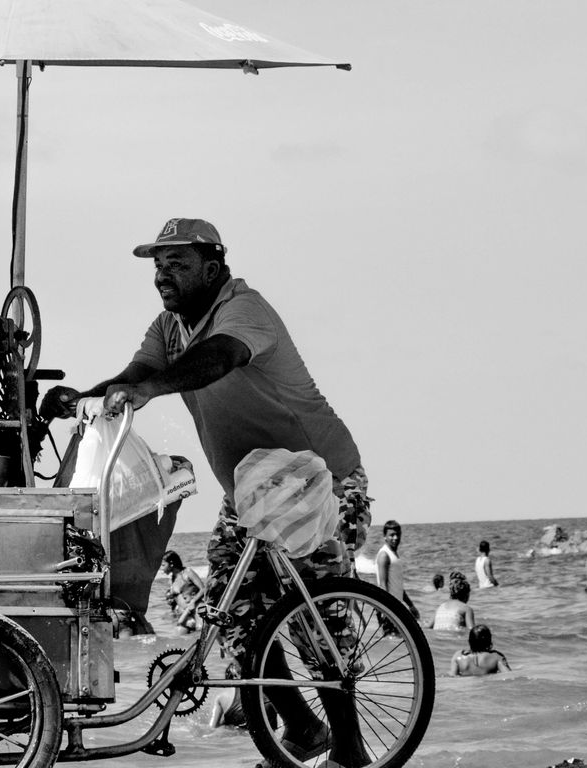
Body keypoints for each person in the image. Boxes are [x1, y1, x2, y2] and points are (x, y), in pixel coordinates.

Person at [42, 218, 369, 763]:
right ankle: (303, 729)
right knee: (227, 612)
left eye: (177, 264)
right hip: (251, 491)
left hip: (319, 480)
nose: (162, 275)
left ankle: (352, 753)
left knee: (317, 617)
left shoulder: (244, 310)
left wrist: (149, 388)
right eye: (157, 265)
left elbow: (218, 358)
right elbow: (137, 375)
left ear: (213, 269)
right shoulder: (167, 327)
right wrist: (85, 397)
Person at [375, 520, 419, 620]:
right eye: (392, 535)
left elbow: (398, 586)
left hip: (396, 607)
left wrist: (411, 605)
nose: (396, 538)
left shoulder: (394, 555)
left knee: (397, 636)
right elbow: (382, 584)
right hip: (388, 607)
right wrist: (385, 609)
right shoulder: (384, 555)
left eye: (398, 534)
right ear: (384, 537)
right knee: (390, 636)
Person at [161, 549, 204, 632]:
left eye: (163, 565)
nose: (161, 568)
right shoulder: (171, 579)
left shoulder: (188, 572)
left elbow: (203, 589)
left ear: (171, 564)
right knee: (179, 636)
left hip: (195, 609)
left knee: (200, 632)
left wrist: (193, 602)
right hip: (184, 614)